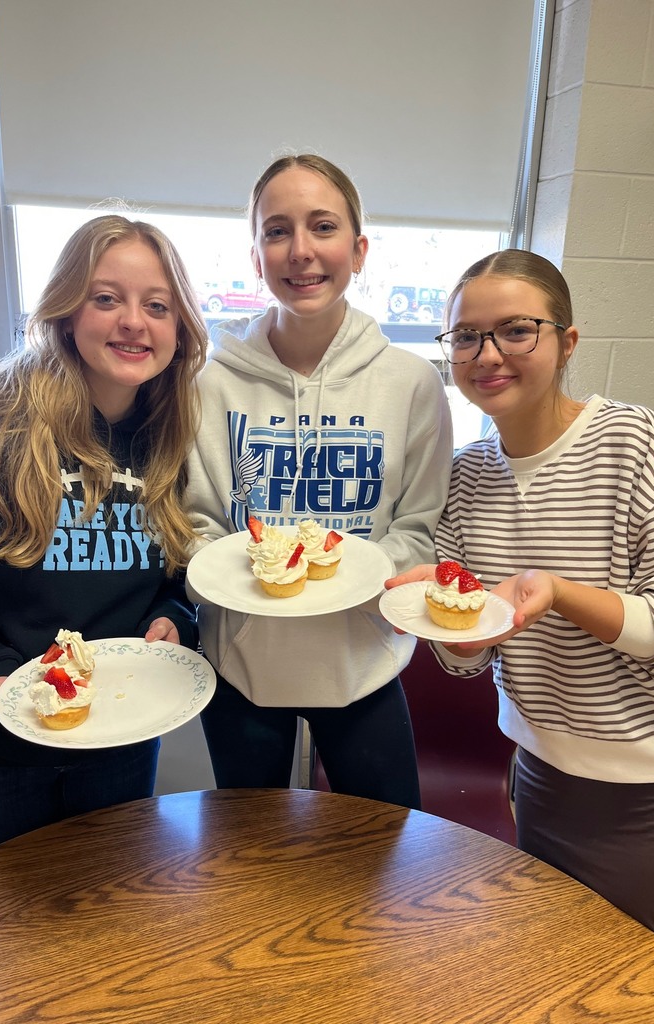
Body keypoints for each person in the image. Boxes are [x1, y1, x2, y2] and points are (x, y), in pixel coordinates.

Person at [386, 249, 654, 959]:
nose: (488, 354)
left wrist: (558, 593)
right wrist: (453, 623)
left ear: (567, 343)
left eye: (516, 330)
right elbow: (469, 664)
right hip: (539, 778)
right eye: (466, 336)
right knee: (553, 973)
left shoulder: (635, 443)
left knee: (650, 988)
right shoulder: (466, 478)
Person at [0, 214, 208, 858]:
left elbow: (178, 579)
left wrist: (174, 617)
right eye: (106, 298)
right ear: (65, 311)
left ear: (179, 330)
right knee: (11, 942)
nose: (134, 321)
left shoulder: (173, 440)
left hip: (118, 743)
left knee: (106, 925)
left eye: (157, 305)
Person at [185, 153, 453, 810]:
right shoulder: (207, 384)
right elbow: (196, 522)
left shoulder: (412, 384)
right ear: (256, 256)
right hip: (242, 669)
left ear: (359, 250)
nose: (300, 251)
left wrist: (343, 577)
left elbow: (419, 529)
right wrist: (250, 573)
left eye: (323, 227)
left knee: (380, 856)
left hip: (364, 663)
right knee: (249, 865)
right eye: (277, 231)